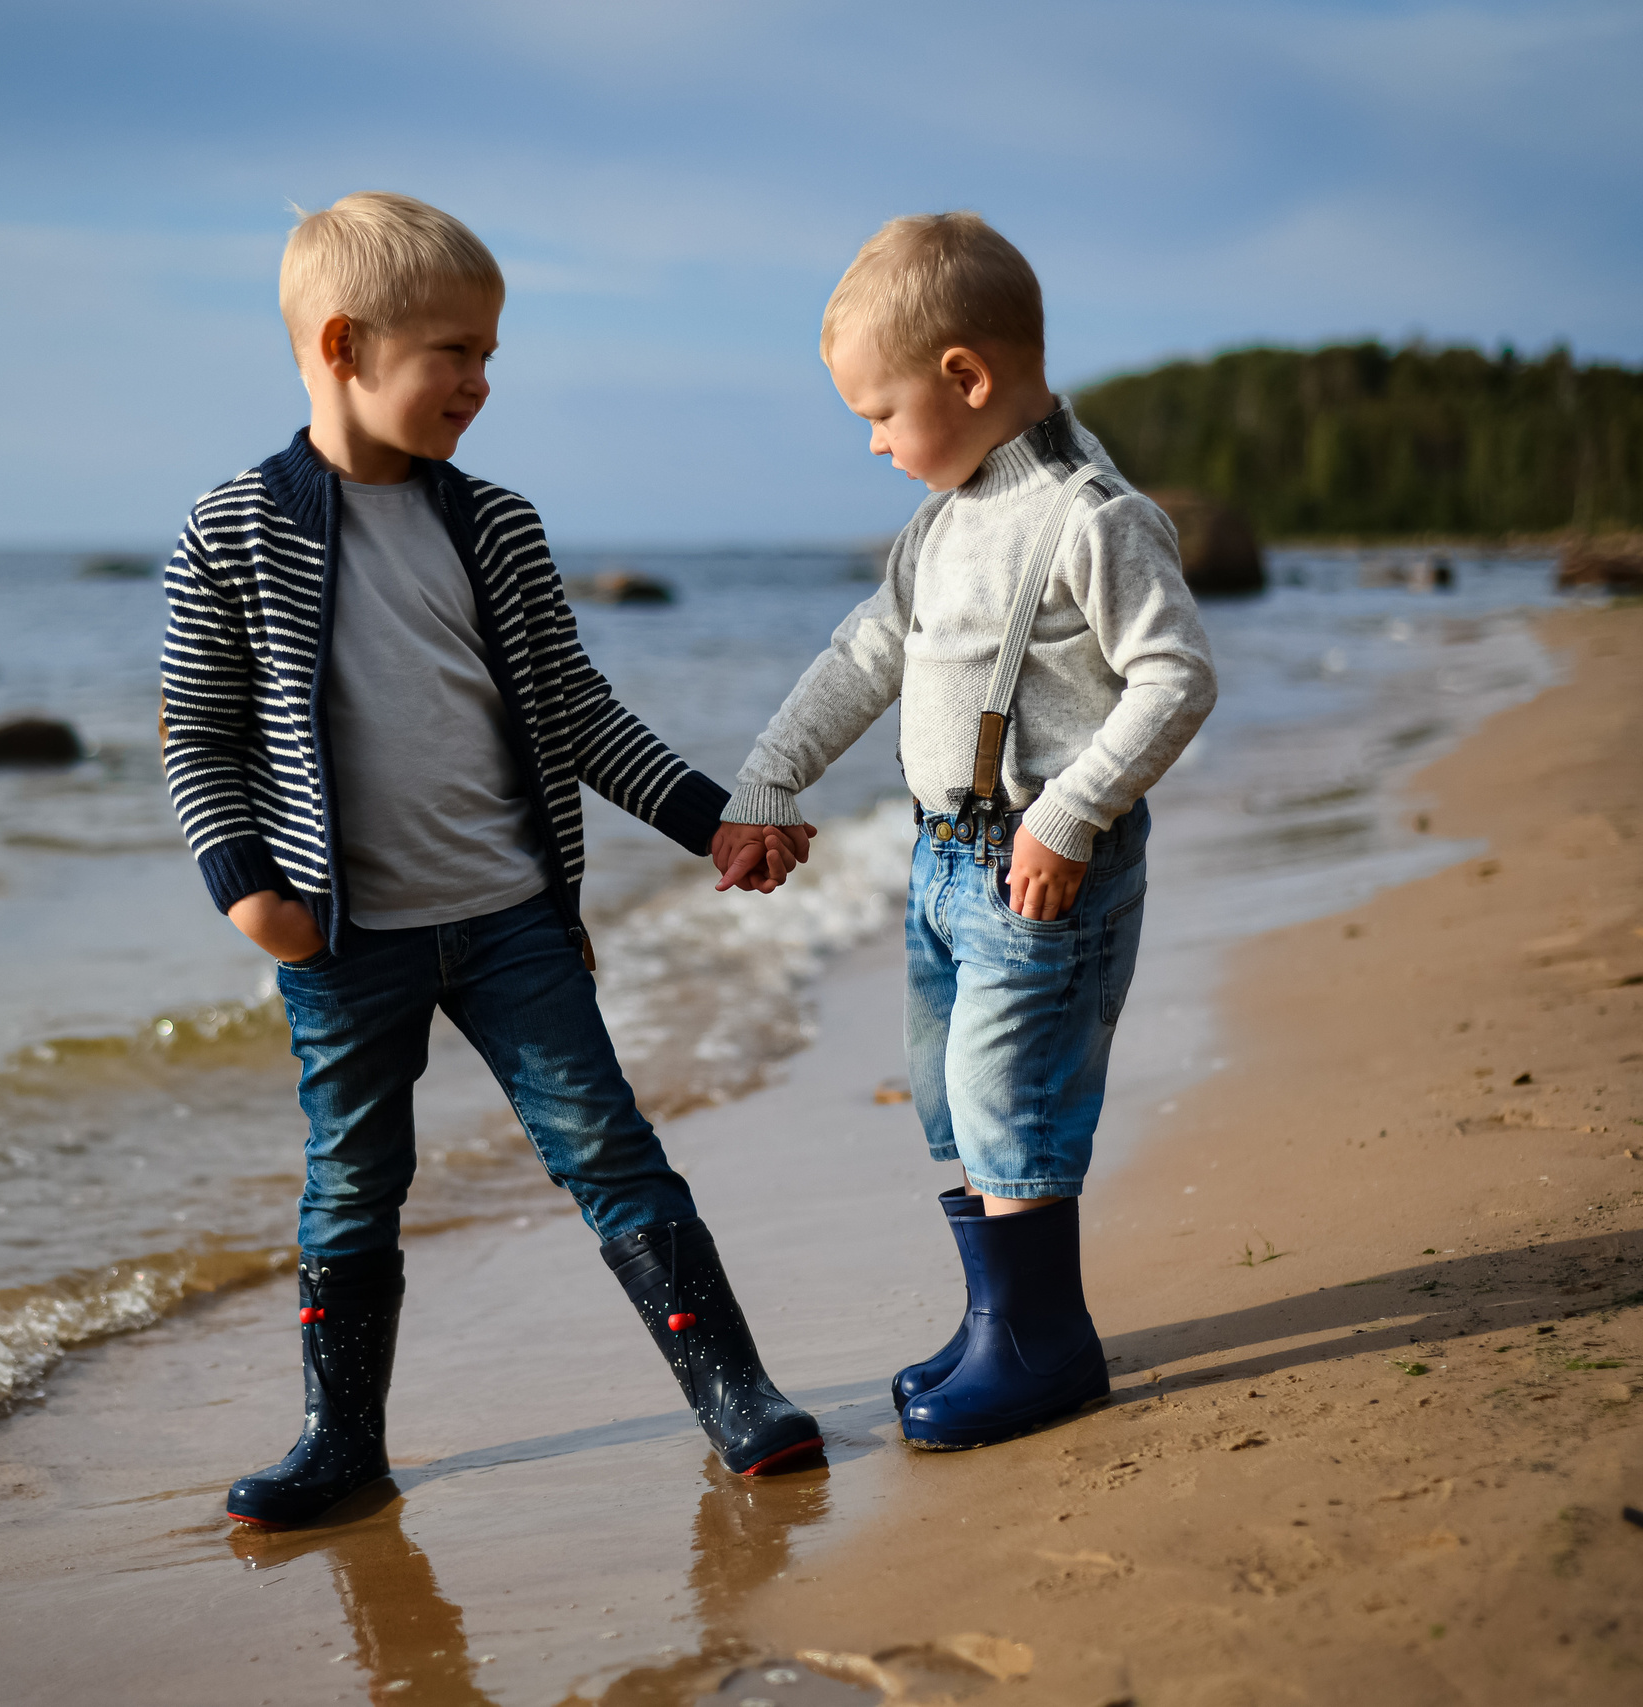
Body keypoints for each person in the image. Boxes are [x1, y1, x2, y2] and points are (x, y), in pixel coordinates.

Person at [159, 192, 821, 1529]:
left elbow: (577, 711)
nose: (480, 381)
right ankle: (339, 1439)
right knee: (354, 1177)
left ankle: (735, 1392)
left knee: (609, 1147)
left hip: (514, 917)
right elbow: (198, 728)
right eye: (453, 352)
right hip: (343, 938)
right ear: (344, 345)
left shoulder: (499, 525)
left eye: (489, 354)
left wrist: (711, 817)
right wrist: (244, 887)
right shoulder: (231, 529)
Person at [711, 212, 1217, 1450]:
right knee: (953, 1088)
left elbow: (1175, 677)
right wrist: (769, 778)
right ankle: (1002, 1321)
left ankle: (1044, 1347)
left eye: (880, 414)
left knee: (1009, 1092)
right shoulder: (944, 519)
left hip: (1044, 870)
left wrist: (1069, 813)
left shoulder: (1089, 515)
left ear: (965, 377)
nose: (875, 443)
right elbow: (866, 653)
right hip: (946, 864)